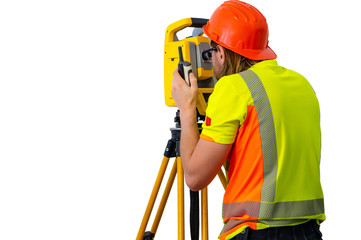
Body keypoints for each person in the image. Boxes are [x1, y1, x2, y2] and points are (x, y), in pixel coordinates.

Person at [171, 0, 326, 240]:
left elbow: (194, 178)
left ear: (220, 52)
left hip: (256, 231)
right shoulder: (302, 84)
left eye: (211, 52)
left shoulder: (233, 88)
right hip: (309, 230)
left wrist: (187, 108)